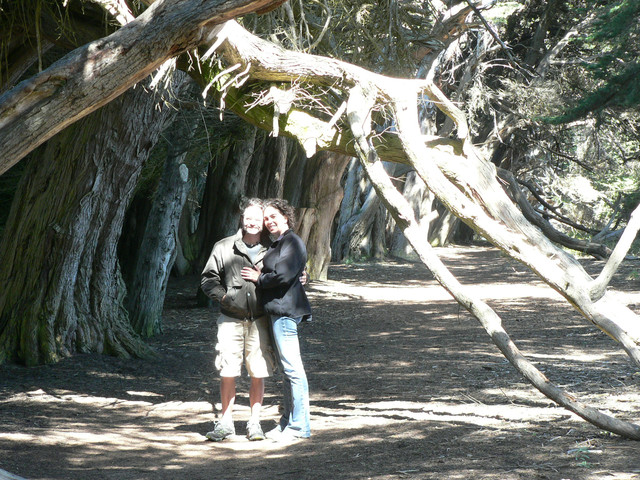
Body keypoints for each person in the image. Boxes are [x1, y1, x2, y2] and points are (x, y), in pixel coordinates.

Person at [200, 198, 274, 442]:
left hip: (261, 320)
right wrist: (225, 298)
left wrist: (302, 277)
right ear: (242, 219)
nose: (252, 223)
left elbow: (288, 273)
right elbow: (208, 279)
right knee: (228, 371)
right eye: (248, 218)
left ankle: (255, 423)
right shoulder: (224, 246)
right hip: (230, 319)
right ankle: (226, 422)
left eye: (257, 219)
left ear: (263, 222)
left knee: (258, 372)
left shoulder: (273, 248)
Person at [241, 198, 312, 442]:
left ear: (286, 216)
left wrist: (259, 278)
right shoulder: (278, 243)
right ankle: (287, 422)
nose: (269, 221)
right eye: (266, 218)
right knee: (287, 371)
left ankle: (300, 426)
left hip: (285, 313)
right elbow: (293, 271)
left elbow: (282, 275)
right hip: (276, 313)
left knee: (294, 370)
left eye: (274, 216)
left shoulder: (292, 240)